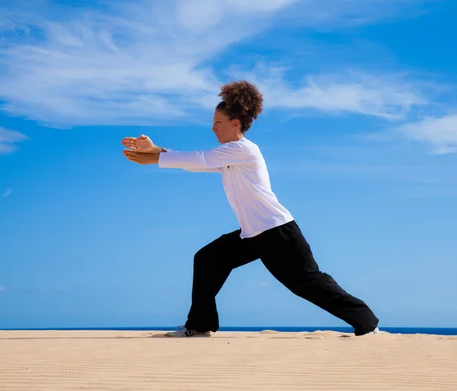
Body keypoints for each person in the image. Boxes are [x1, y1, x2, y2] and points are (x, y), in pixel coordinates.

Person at [122, 80, 380, 337]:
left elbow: (200, 158)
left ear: (235, 123)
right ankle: (200, 324)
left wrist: (155, 156)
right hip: (253, 234)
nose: (213, 128)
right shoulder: (227, 156)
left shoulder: (243, 150)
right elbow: (197, 163)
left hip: (277, 233)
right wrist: (156, 152)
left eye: (218, 123)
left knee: (307, 283)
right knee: (207, 259)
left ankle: (367, 323)